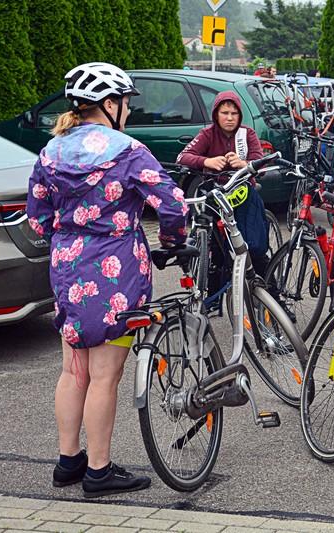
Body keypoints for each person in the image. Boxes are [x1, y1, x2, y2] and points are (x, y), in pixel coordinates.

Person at [26, 62, 188, 496]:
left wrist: (68, 238)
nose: (129, 111)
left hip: (67, 265)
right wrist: (173, 241)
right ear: (110, 104)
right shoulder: (128, 151)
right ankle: (98, 471)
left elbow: (37, 217)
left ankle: (68, 461)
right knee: (104, 376)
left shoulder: (51, 151)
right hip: (116, 269)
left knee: (72, 369)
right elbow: (172, 203)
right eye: (126, 103)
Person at [176, 91, 269, 276]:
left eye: (234, 113)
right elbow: (182, 157)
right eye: (224, 113)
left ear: (240, 115)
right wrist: (206, 161)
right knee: (217, 250)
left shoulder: (247, 134)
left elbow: (261, 164)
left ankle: (266, 284)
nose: (229, 118)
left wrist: (243, 164)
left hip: (242, 194)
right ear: (216, 115)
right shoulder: (207, 134)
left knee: (253, 244)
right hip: (215, 195)